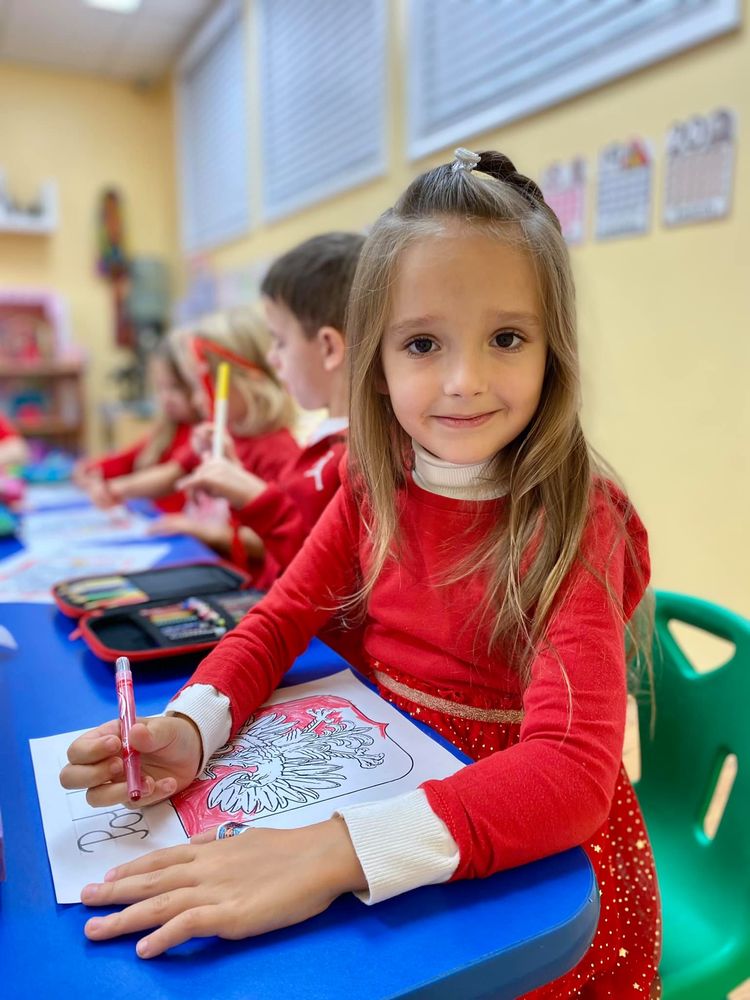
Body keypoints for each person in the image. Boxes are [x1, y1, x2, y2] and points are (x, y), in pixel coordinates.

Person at [60, 149, 660, 997]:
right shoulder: (368, 482)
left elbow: (567, 769)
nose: (464, 381)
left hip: (519, 858)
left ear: (552, 350)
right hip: (377, 776)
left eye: (507, 338)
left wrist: (334, 850)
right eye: (422, 343)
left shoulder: (575, 516)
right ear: (374, 359)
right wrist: (193, 726)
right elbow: (278, 618)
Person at [176, 232, 364, 587]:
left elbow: (321, 580)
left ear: (327, 347)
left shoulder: (353, 459)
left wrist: (253, 496)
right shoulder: (326, 445)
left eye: (280, 341)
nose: (272, 358)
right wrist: (236, 480)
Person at [92, 308, 300, 560]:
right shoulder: (218, 436)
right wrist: (116, 489)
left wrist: (199, 529)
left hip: (243, 584)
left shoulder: (279, 452)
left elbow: (273, 541)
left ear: (246, 380)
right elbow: (172, 474)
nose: (195, 398)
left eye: (201, 385)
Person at [73, 338, 201, 513]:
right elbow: (127, 460)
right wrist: (90, 470)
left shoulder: (203, 433)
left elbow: (172, 474)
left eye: (175, 388)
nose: (166, 398)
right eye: (160, 388)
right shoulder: (168, 429)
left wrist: (113, 489)